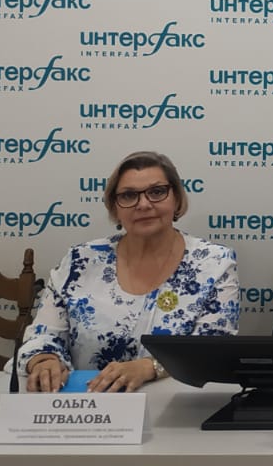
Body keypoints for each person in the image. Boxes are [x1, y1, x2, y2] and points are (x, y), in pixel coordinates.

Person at [19, 151, 239, 392]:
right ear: (115, 207)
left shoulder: (215, 263)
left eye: (157, 192)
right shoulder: (80, 261)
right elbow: (42, 335)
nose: (143, 204)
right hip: (86, 403)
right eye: (128, 195)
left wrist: (151, 367)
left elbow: (212, 350)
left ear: (176, 199)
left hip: (175, 404)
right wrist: (44, 360)